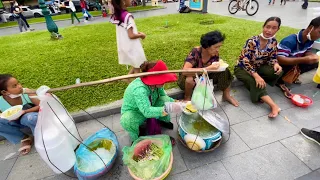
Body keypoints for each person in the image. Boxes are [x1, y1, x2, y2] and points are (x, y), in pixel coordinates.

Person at [120, 60, 183, 144]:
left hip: (150, 105)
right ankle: (136, 139)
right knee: (127, 120)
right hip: (136, 112)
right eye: (162, 79)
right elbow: (147, 111)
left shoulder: (156, 84)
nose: (164, 82)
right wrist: (168, 108)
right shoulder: (139, 89)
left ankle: (163, 121)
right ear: (153, 79)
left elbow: (163, 95)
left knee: (165, 101)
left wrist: (176, 102)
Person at [234, 17, 283, 118]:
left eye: (274, 28)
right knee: (254, 81)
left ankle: (260, 86)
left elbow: (273, 57)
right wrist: (256, 76)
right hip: (242, 68)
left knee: (277, 71)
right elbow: (244, 61)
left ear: (278, 30)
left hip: (258, 67)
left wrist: (276, 64)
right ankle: (273, 106)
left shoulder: (273, 41)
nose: (269, 30)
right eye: (267, 27)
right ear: (263, 27)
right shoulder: (252, 41)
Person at [177, 30, 239, 107]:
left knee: (225, 71)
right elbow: (184, 71)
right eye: (216, 47)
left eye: (219, 47)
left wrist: (218, 66)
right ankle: (187, 98)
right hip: (189, 79)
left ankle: (226, 95)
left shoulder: (214, 53)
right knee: (189, 79)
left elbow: (213, 67)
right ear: (206, 46)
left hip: (205, 76)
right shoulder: (195, 52)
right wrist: (208, 68)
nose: (218, 50)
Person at [277, 16, 320, 97]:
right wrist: (304, 59)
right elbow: (280, 59)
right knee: (290, 64)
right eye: (319, 32)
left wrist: (311, 56)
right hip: (281, 65)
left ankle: (292, 75)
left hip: (294, 62)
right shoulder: (289, 41)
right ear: (311, 28)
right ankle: (279, 81)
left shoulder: (310, 40)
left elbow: (307, 52)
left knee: (314, 62)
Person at [0, 74, 40, 155]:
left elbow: (41, 105)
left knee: (30, 118)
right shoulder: (1, 101)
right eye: (15, 86)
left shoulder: (26, 92)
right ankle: (24, 138)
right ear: (5, 92)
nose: (20, 86)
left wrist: (25, 111)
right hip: (14, 121)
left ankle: (40, 135)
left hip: (31, 118)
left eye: (18, 83)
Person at [110, 0, 147, 75]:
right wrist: (142, 35)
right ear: (123, 1)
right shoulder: (127, 16)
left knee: (136, 63)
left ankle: (127, 79)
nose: (131, 0)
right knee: (138, 65)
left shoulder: (118, 15)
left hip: (125, 45)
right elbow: (131, 35)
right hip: (132, 46)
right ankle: (136, 84)